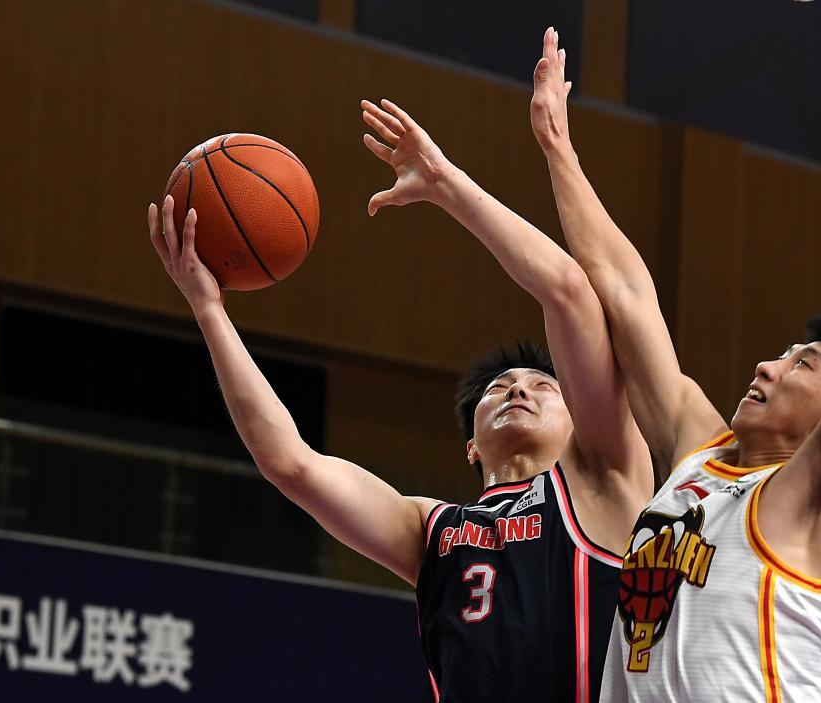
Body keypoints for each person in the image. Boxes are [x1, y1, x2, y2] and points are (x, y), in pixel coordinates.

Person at [146, 98, 653, 701]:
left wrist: (445, 183)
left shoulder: (606, 479)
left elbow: (568, 290)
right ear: (471, 443)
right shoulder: (430, 530)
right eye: (498, 388)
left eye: (544, 386)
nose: (519, 388)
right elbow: (290, 462)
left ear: (579, 423)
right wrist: (209, 310)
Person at [528, 2, 821, 701]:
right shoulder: (699, 453)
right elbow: (625, 291)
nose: (767, 365)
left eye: (803, 362)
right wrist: (556, 147)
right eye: (783, 352)